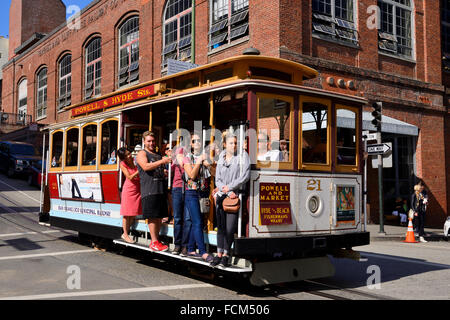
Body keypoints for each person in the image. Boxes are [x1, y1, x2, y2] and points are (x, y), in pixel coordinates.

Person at [211, 131, 251, 267]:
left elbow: (245, 176)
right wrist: (226, 190)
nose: (234, 145)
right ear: (224, 144)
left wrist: (231, 188)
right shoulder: (221, 156)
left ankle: (227, 254)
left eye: (235, 143)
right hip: (223, 195)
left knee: (230, 228)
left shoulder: (243, 155)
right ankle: (219, 254)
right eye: (231, 143)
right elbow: (218, 179)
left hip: (235, 195)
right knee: (221, 227)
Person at [136, 131, 172, 251]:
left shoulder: (157, 154)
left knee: (158, 217)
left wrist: (164, 171)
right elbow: (145, 167)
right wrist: (162, 161)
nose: (151, 143)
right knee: (152, 217)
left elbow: (157, 168)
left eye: (153, 141)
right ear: (144, 142)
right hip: (149, 189)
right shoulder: (141, 153)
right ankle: (154, 241)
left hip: (160, 189)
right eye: (149, 141)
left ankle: (156, 240)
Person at [182, 133, 213, 262]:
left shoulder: (206, 157)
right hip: (191, 192)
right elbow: (192, 176)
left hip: (203, 192)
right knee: (197, 222)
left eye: (200, 140)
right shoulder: (187, 158)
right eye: (195, 141)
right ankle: (203, 252)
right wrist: (200, 161)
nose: (198, 143)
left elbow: (214, 173)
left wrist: (209, 164)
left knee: (199, 220)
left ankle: (190, 248)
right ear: (191, 144)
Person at [118, 147, 141, 244]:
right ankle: (125, 234)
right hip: (129, 190)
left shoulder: (134, 161)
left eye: (129, 153)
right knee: (127, 213)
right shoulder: (122, 164)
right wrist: (139, 170)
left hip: (137, 189)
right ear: (123, 158)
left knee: (133, 213)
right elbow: (129, 177)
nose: (129, 155)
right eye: (127, 155)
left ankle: (127, 232)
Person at [170, 146, 190, 255]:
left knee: (187, 218)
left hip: (188, 188)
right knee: (177, 218)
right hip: (177, 188)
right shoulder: (178, 151)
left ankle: (185, 245)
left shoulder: (190, 155)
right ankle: (177, 244)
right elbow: (172, 167)